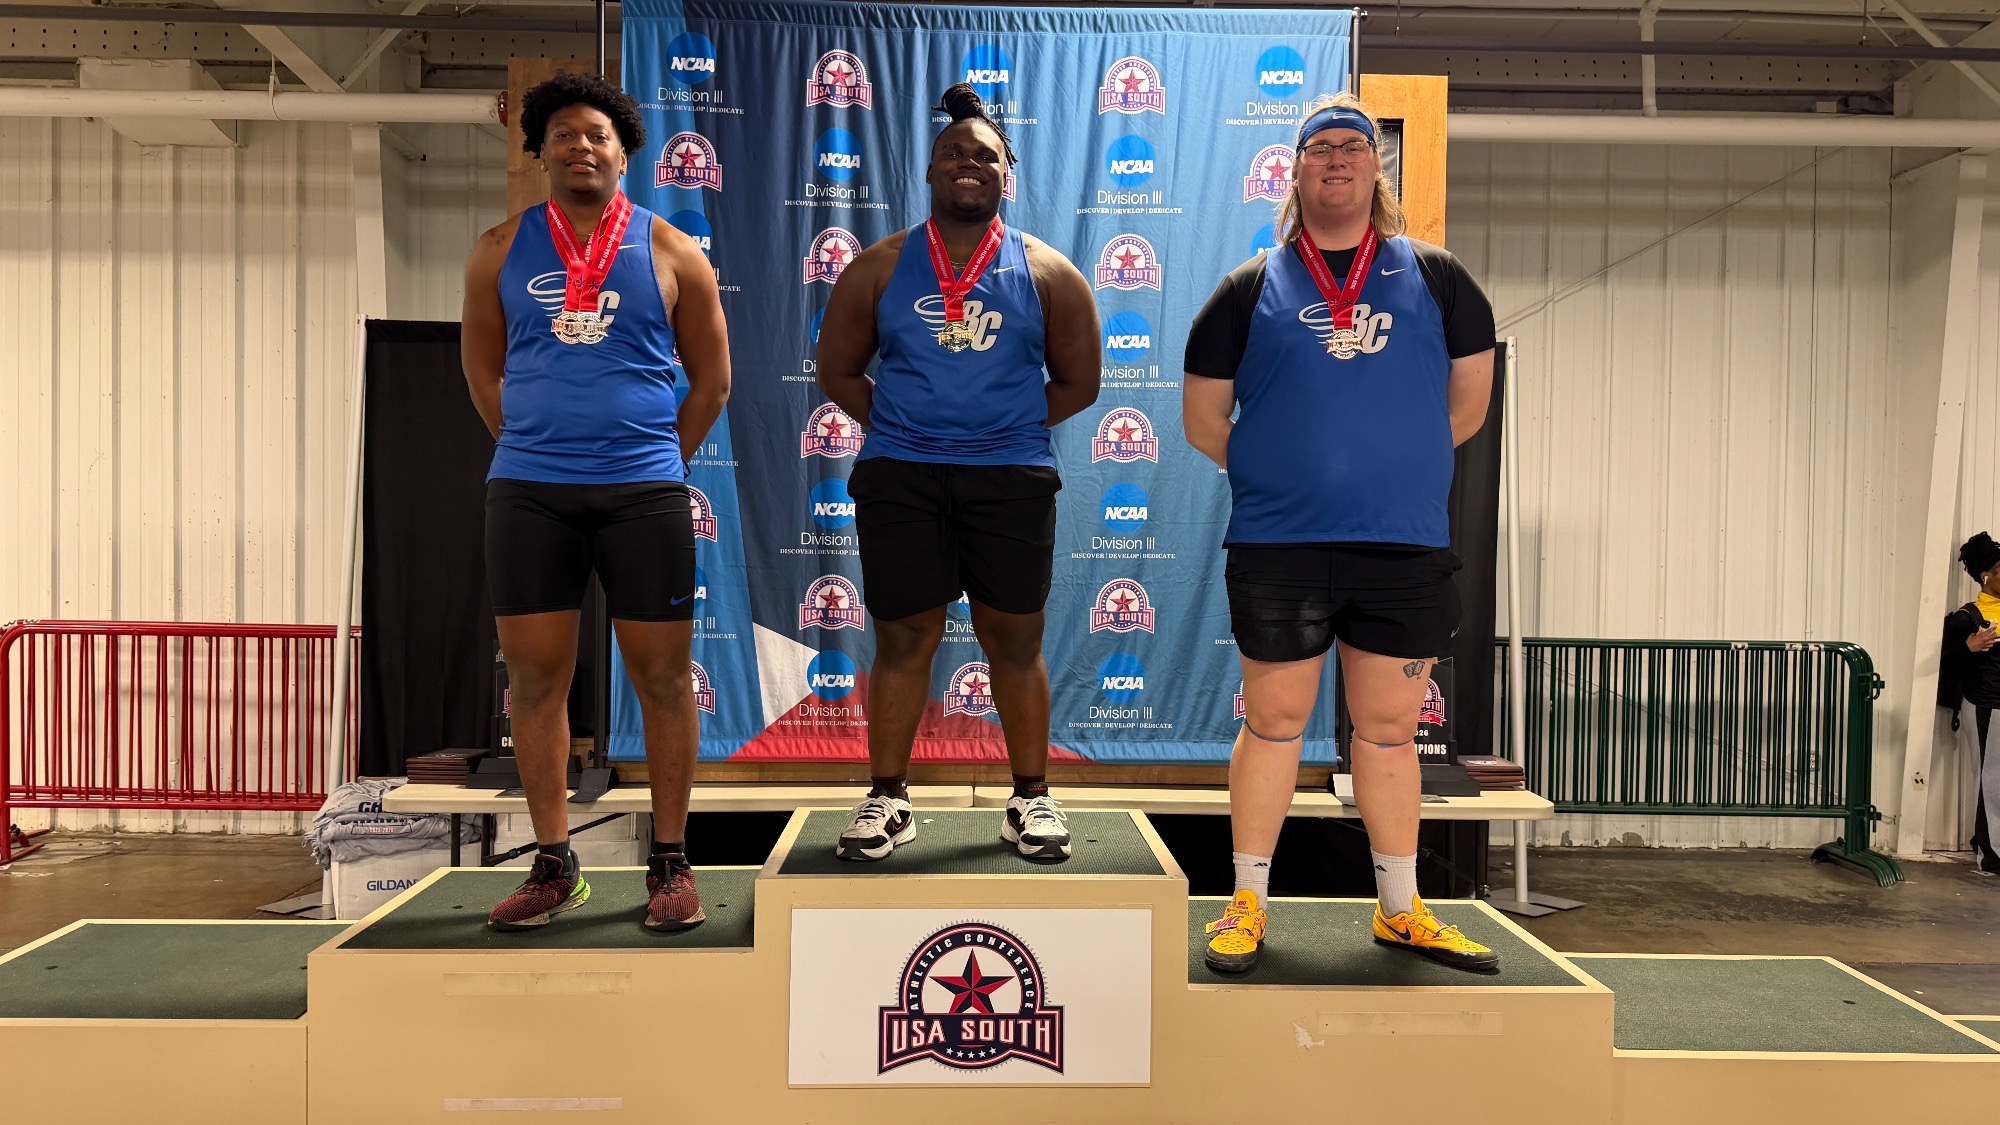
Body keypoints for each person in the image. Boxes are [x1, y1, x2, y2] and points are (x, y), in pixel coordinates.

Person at [1181, 94, 1499, 971]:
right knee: (1276, 719)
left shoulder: (1438, 278)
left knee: (1390, 728)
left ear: (1373, 167)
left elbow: (1464, 407)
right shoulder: (1248, 289)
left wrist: (1387, 463)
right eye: (1318, 146)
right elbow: (1206, 421)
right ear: (1294, 169)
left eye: (1351, 147)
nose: (1335, 159)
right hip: (1282, 544)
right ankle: (1245, 902)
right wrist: (1286, 469)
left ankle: (1401, 907)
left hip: (1401, 542)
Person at [461, 73, 730, 931]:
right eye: (565, 134)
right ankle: (553, 863)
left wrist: (648, 461)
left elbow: (714, 382)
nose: (583, 146)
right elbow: (482, 371)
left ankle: (671, 863)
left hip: (643, 493)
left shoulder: (673, 250)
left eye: (599, 135)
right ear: (539, 150)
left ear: (625, 153)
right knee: (537, 681)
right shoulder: (499, 249)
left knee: (661, 680)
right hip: (532, 492)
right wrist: (537, 448)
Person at [815, 83, 1101, 862]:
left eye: (984, 155)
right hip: (901, 475)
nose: (967, 164)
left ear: (1007, 173)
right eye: (953, 154)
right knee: (905, 636)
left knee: (1015, 638)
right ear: (931, 171)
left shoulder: (1050, 272)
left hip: (1010, 478)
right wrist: (905, 425)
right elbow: (837, 370)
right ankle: (888, 798)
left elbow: (1081, 382)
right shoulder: (880, 266)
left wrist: (999, 429)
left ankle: (1031, 799)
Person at [1938, 531, 2000, 876]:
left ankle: (1988, 842)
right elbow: (1939, 662)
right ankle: (1991, 855)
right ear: (1986, 576)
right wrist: (1969, 648)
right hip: (1987, 703)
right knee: (1992, 780)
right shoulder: (1968, 618)